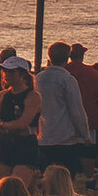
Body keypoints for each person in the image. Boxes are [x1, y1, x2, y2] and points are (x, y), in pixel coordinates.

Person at [35, 42, 92, 172]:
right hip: (65, 136)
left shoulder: (37, 78)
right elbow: (76, 109)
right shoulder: (67, 79)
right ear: (67, 58)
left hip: (43, 135)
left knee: (46, 173)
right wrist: (85, 133)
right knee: (66, 174)